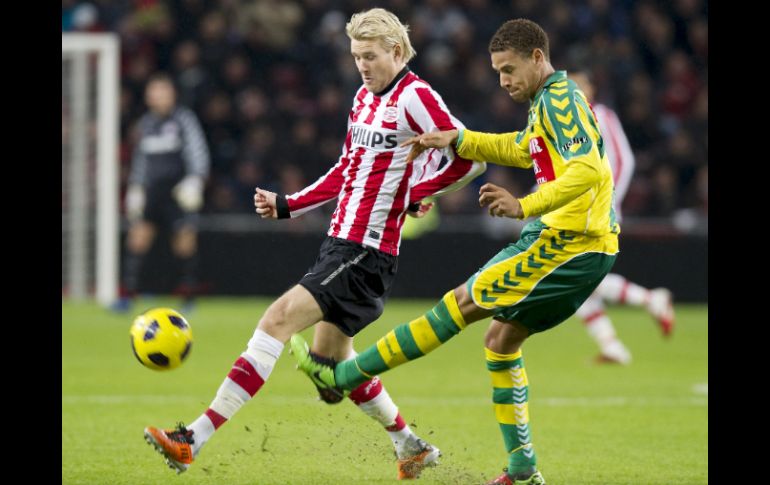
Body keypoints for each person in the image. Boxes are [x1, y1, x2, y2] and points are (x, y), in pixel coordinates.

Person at [143, 8, 485, 480]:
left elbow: (469, 160)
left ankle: (192, 439)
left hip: (366, 250)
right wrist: (290, 205)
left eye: (371, 56)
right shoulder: (363, 97)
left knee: (277, 318)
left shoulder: (417, 97)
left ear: (398, 52)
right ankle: (411, 446)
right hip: (339, 243)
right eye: (356, 56)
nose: (362, 65)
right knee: (332, 373)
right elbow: (346, 169)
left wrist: (418, 192)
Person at [291, 18, 620, 485]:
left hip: (568, 244)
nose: (503, 82)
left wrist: (524, 204)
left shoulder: (562, 100)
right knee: (500, 343)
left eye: (509, 70)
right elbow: (525, 149)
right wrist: (460, 139)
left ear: (537, 58)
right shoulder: (548, 101)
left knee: (459, 304)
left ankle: (340, 377)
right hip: (572, 242)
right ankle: (523, 469)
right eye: (497, 72)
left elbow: (588, 170)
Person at [569, 70, 675, 365]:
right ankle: (614, 343)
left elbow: (623, 159)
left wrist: (609, 201)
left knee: (573, 275)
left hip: (598, 210)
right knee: (578, 279)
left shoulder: (601, 115)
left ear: (591, 87)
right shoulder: (568, 126)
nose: (574, 90)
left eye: (580, 83)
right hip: (577, 211)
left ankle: (651, 301)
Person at [113, 73, 210, 313]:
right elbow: (141, 161)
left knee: (185, 243)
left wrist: (195, 181)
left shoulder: (184, 120)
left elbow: (198, 152)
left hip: (178, 193)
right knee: (138, 240)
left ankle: (188, 298)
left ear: (172, 94)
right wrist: (136, 188)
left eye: (163, 90)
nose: (159, 96)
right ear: (148, 96)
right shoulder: (146, 124)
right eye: (154, 91)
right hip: (153, 193)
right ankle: (127, 296)